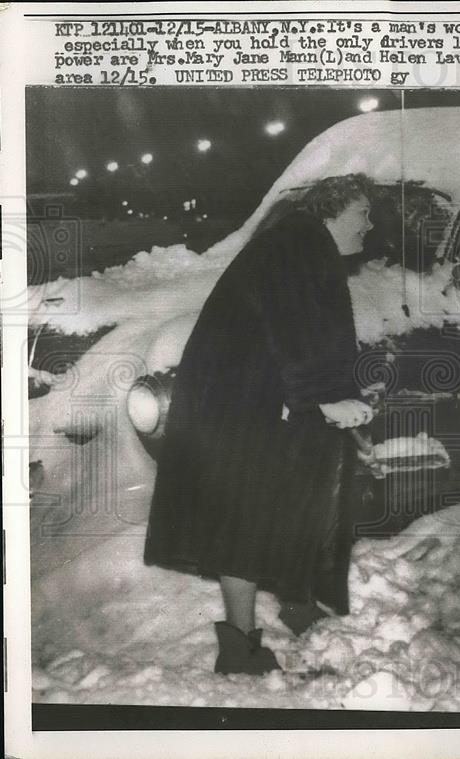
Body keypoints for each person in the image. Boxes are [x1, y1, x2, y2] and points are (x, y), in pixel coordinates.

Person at [144, 174, 376, 675]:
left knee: (291, 499)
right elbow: (292, 329)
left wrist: (335, 400)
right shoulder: (297, 246)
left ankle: (294, 599)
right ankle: (240, 648)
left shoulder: (304, 245)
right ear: (333, 209)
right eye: (363, 212)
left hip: (257, 394)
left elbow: (313, 336)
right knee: (244, 520)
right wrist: (323, 399)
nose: (370, 224)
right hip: (239, 402)